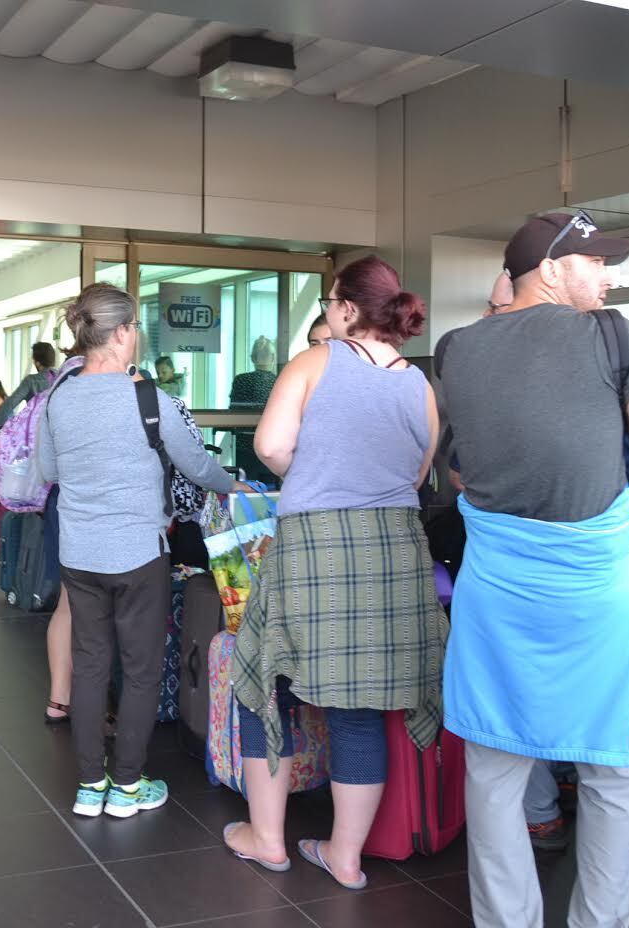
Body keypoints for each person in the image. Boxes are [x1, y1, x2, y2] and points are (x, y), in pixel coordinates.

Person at [436, 212, 629, 928]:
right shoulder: (610, 335)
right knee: (611, 766)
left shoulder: (455, 350)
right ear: (551, 270)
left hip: (497, 595)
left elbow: (460, 464)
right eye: (595, 262)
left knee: (495, 772)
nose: (608, 276)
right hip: (592, 596)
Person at [221, 256, 445, 888]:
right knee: (359, 705)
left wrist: (314, 472)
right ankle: (344, 857)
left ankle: (268, 839)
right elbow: (418, 474)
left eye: (328, 304)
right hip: (394, 549)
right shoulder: (419, 385)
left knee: (264, 682)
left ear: (346, 308)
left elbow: (270, 445)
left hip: (315, 546)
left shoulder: (316, 361)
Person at [36, 283, 240, 820]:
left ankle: (89, 786)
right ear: (123, 332)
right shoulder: (148, 398)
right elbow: (197, 466)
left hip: (80, 554)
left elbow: (48, 471)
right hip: (139, 554)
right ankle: (126, 785)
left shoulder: (58, 397)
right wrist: (234, 485)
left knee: (89, 665)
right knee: (141, 669)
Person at [0, 342, 60, 437]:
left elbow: (10, 404)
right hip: (60, 431)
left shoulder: (31, 381)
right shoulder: (63, 377)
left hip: (38, 433)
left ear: (37, 363)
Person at [229, 335, 279, 485]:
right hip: (270, 443)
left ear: (252, 358)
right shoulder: (279, 381)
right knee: (271, 489)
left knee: (246, 488)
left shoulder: (240, 380)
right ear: (273, 358)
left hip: (244, 446)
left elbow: (233, 411)